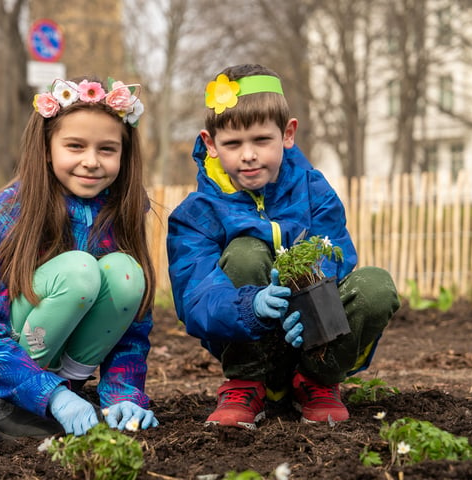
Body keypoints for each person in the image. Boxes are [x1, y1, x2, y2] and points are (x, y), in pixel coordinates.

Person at [167, 64, 400, 430]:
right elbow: (195, 298)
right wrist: (251, 307)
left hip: (312, 337)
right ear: (210, 144)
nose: (248, 155)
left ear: (287, 134)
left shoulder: (315, 191)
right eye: (232, 143)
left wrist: (305, 299)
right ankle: (246, 383)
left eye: (261, 140)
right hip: (247, 342)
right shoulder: (197, 214)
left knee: (376, 287)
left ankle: (317, 381)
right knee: (246, 250)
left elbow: (335, 250)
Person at [0, 76, 158, 439]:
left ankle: (68, 390)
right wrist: (51, 396)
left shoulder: (121, 212)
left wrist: (125, 395)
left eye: (107, 149)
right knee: (80, 272)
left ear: (124, 153)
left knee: (126, 274)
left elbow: (130, 328)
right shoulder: (5, 214)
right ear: (46, 147)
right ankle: (22, 403)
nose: (91, 161)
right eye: (75, 146)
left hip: (66, 366)